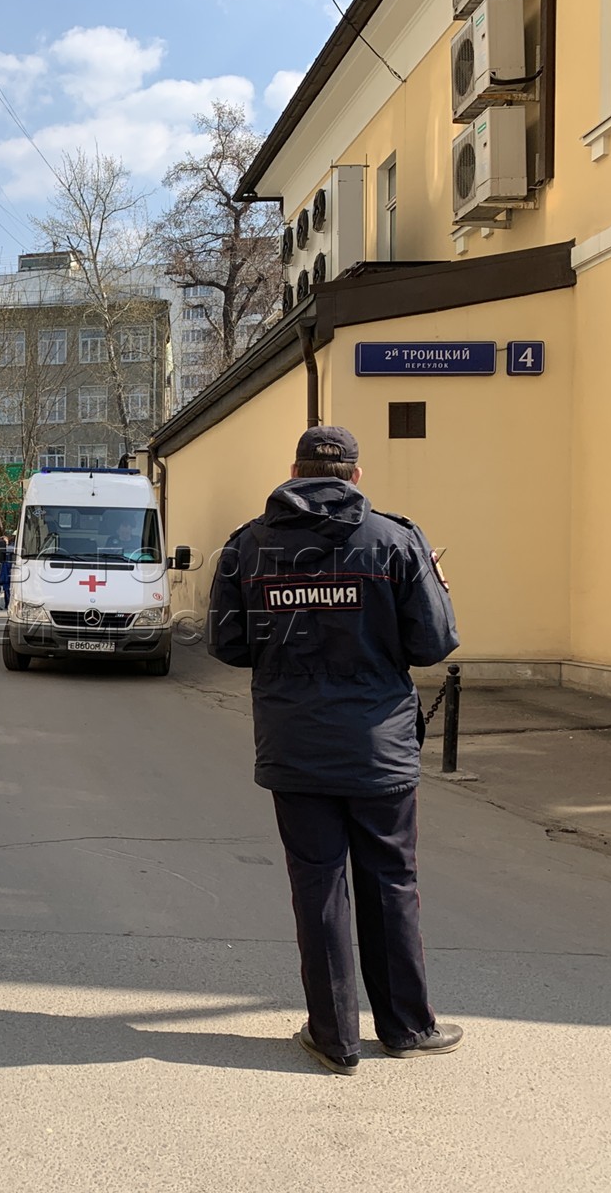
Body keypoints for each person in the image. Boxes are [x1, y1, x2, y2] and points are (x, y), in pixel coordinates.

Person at [207, 425, 463, 1076]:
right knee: (391, 882)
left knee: (318, 887)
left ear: (294, 471)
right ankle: (406, 1027)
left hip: (296, 746)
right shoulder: (395, 541)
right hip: (379, 750)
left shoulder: (247, 546)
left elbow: (229, 647)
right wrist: (436, 582)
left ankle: (334, 1038)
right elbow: (433, 643)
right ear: (353, 476)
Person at [0, 533, 15, 611]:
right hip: (2, 571)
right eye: (5, 542)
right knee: (2, 588)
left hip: (6, 571)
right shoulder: (1, 550)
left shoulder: (9, 549)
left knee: (7, 588)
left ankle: (7, 604)